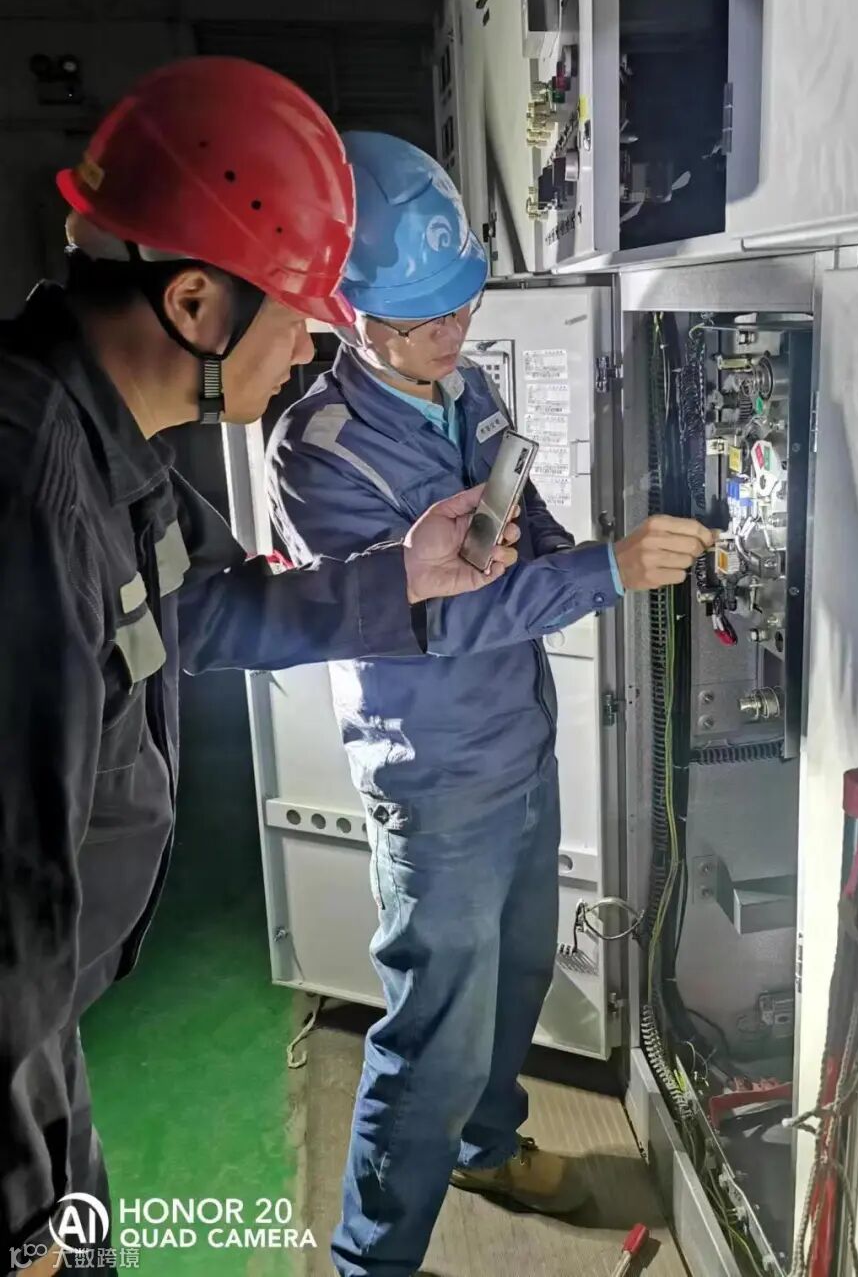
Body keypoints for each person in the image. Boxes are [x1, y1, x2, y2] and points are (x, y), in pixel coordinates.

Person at [0, 63, 520, 1277]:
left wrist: (403, 573)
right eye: (297, 313)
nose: (311, 346)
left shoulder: (108, 448)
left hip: (44, 1045)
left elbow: (213, 606)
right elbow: (7, 916)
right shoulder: (30, 493)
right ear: (195, 301)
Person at [266, 132, 715, 1277]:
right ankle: (374, 1256)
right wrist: (606, 570)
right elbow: (432, 618)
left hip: (518, 742)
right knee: (433, 1033)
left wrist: (578, 551)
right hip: (434, 775)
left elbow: (529, 519)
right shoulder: (318, 455)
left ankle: (487, 1145)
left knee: (515, 979)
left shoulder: (465, 386)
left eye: (463, 303)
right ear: (353, 313)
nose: (454, 332)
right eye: (426, 318)